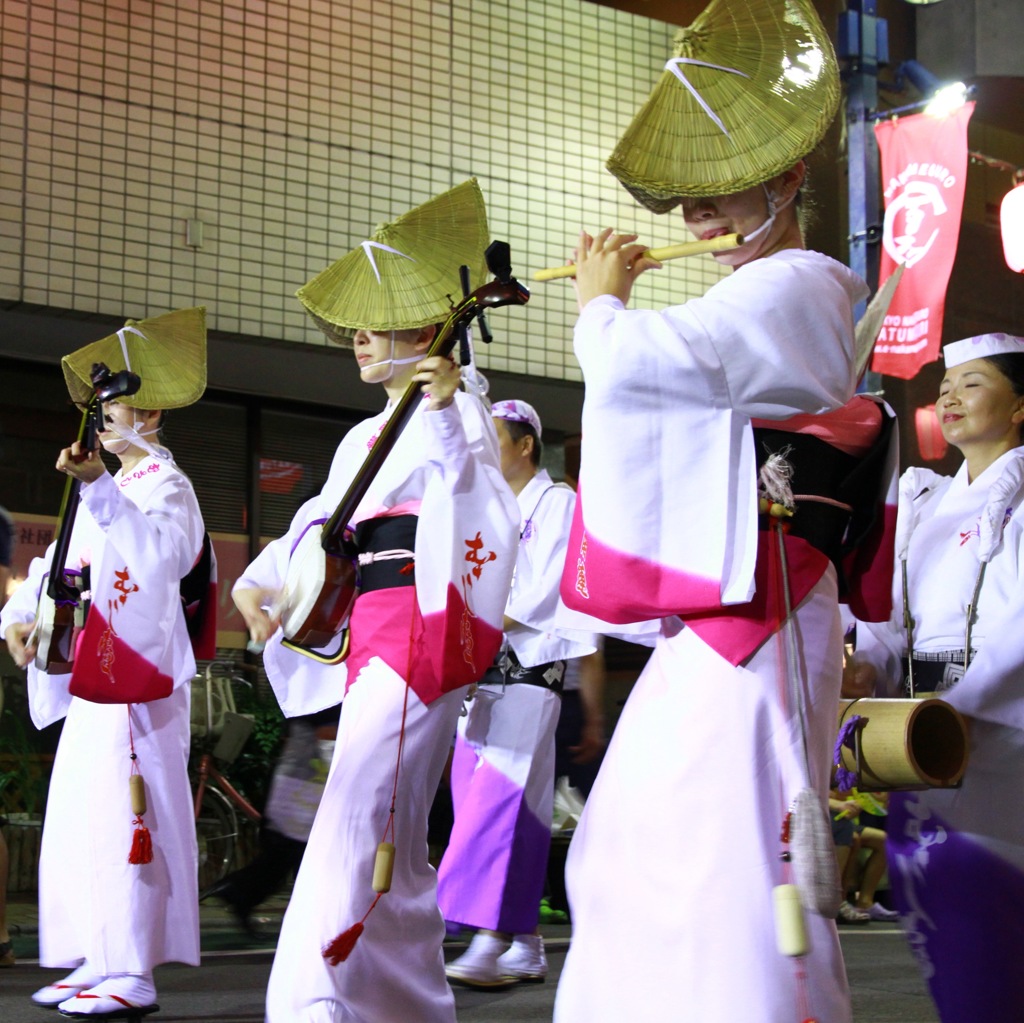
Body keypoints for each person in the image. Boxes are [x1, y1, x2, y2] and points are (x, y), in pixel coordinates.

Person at [551, 1, 898, 1020]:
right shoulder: (760, 292)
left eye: (716, 197)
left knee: (727, 846)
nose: (696, 221)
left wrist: (600, 306)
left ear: (786, 180)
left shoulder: (794, 285)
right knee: (636, 839)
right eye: (687, 204)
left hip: (768, 617)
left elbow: (660, 367)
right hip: (741, 615)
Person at [232, 180, 519, 1023]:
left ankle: (322, 991)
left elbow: (480, 508)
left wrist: (440, 413)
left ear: (429, 330)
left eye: (380, 320)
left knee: (358, 811)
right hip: (371, 637)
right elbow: (317, 525)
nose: (358, 334)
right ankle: (408, 1000)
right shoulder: (364, 433)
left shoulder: (460, 407)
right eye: (356, 323)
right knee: (387, 825)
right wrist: (260, 583)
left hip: (419, 627)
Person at [0, 307, 212, 1016]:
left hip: (139, 675)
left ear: (147, 412)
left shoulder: (166, 486)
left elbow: (160, 562)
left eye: (110, 406)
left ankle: (134, 966)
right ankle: (97, 952)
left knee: (131, 813)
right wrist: (19, 619)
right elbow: (58, 569)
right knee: (88, 814)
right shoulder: (111, 487)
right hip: (96, 667)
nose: (99, 420)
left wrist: (96, 487)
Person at [845, 332, 1024, 1022]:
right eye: (946, 386)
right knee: (942, 922)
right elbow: (892, 623)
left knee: (991, 921)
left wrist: (958, 713)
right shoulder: (922, 501)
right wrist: (867, 667)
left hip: (1000, 738)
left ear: (1018, 408)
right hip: (920, 742)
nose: (950, 397)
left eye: (973, 384)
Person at [438, 399, 596, 988]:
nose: (484, 452)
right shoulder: (490, 507)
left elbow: (550, 585)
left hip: (529, 672)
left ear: (526, 444)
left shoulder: (557, 504)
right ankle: (526, 941)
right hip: (479, 679)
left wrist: (481, 620)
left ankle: (487, 938)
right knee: (512, 811)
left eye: (494, 440)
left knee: (495, 807)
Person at [202, 703, 340, 933]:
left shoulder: (310, 696)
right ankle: (240, 893)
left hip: (297, 781)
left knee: (285, 855)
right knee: (297, 854)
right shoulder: (325, 700)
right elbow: (326, 735)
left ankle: (238, 892)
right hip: (307, 785)